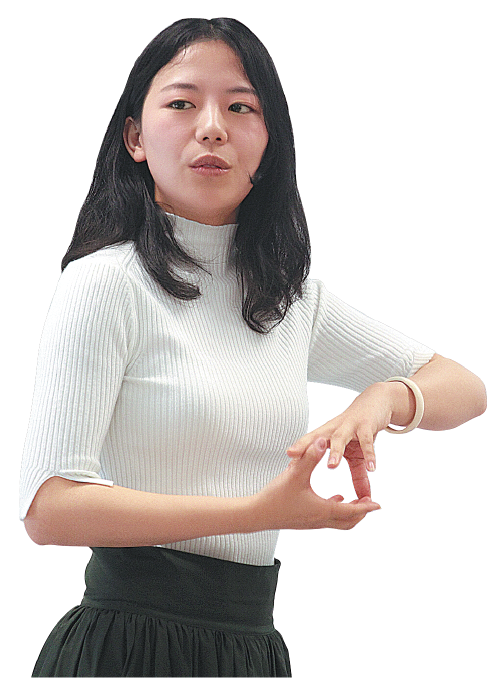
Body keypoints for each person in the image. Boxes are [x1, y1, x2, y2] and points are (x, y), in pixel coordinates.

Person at [20, 17, 487, 678]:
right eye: (182, 103)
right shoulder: (106, 283)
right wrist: (255, 513)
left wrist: (386, 398)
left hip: (251, 649)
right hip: (127, 648)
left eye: (241, 108)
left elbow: (466, 389)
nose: (212, 127)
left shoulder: (288, 299)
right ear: (135, 137)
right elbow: (48, 507)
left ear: (268, 147)